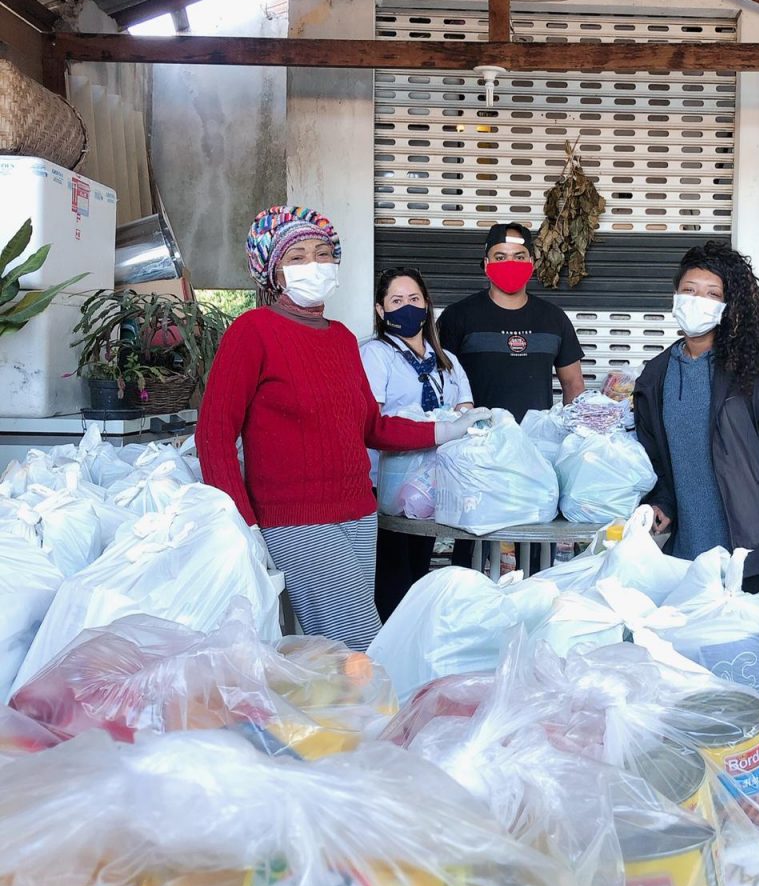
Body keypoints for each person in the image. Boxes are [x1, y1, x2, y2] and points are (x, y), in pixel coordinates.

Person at [196, 206, 489, 649]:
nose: (314, 264)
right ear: (273, 272)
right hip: (297, 519)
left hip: (358, 512)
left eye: (323, 253)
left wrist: (447, 430)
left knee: (333, 652)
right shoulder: (251, 331)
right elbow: (214, 436)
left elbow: (370, 426)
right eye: (297, 257)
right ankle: (375, 719)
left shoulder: (341, 339)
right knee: (359, 645)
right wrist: (244, 523)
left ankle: (335, 718)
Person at [633, 242, 759, 593]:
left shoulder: (753, 365)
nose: (698, 300)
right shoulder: (656, 375)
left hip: (746, 548)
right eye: (689, 291)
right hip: (685, 553)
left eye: (713, 294)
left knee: (743, 647)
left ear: (728, 307)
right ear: (675, 296)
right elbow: (658, 458)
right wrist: (662, 502)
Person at [360, 267, 475, 621]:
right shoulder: (375, 355)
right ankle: (387, 659)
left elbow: (466, 411)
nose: (406, 307)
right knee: (393, 578)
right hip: (388, 484)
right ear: (381, 310)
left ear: (427, 305)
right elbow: (371, 421)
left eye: (414, 299)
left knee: (418, 575)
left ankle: (412, 649)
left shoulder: (447, 361)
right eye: (396, 300)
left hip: (431, 487)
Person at [437, 222, 586, 422]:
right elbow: (439, 384)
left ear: (531, 263)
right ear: (487, 264)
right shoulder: (457, 316)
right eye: (500, 257)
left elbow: (573, 385)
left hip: (534, 444)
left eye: (519, 257)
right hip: (476, 442)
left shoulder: (554, 318)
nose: (510, 263)